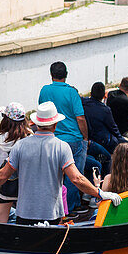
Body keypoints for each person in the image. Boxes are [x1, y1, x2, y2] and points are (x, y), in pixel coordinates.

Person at [0, 102, 121, 225]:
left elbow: (3, 174)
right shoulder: (62, 147)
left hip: (24, 213)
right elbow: (77, 179)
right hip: (51, 213)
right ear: (55, 124)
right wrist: (99, 193)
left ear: (37, 123)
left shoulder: (21, 146)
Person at [38, 62, 89, 213]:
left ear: (51, 74)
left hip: (52, 139)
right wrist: (85, 137)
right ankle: (71, 207)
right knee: (74, 175)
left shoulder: (44, 90)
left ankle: (56, 207)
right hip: (73, 139)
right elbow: (80, 118)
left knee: (55, 175)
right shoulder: (72, 92)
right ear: (66, 74)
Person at [0, 103, 32, 223]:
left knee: (0, 218)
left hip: (2, 186)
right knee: (26, 218)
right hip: (24, 185)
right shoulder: (29, 137)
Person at [83, 81, 124, 154]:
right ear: (104, 96)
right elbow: (113, 128)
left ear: (91, 93)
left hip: (88, 138)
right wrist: (123, 140)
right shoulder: (105, 110)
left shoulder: (83, 103)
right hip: (101, 141)